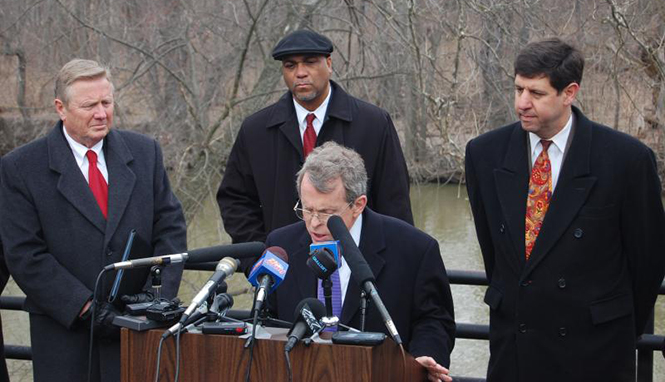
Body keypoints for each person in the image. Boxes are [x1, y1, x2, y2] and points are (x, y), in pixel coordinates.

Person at [465, 38, 665, 382]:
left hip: (594, 353)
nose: (522, 103)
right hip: (515, 350)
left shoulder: (626, 160)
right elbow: (497, 252)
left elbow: (648, 261)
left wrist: (607, 322)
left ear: (569, 93)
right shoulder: (484, 154)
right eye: (518, 89)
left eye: (536, 93)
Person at [0, 59, 187, 382]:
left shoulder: (145, 153)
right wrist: (85, 308)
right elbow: (24, 254)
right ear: (61, 108)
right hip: (64, 336)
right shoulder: (21, 168)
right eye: (89, 105)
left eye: (106, 102)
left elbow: (170, 228)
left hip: (138, 331)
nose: (101, 113)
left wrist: (156, 300)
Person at [265, 142, 455, 382]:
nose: (313, 223)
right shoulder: (281, 245)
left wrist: (421, 359)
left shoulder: (415, 248)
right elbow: (267, 320)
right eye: (307, 209)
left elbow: (434, 321)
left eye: (325, 213)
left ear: (358, 205)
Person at [217, 29, 413, 246]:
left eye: (310, 62)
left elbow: (395, 202)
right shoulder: (256, 130)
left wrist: (385, 264)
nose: (300, 73)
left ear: (328, 64)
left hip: (358, 266)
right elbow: (235, 201)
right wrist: (260, 258)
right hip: (282, 266)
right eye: (290, 65)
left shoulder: (373, 123)